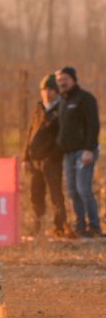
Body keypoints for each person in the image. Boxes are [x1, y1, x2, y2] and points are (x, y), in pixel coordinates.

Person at [55, 66, 102, 237]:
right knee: (72, 190)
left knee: (83, 189)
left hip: (83, 151)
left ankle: (95, 226)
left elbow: (93, 125)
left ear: (73, 79)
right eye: (59, 80)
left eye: (65, 79)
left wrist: (89, 149)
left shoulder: (85, 98)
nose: (62, 83)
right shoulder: (62, 100)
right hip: (68, 153)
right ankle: (81, 227)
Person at [21, 74, 68, 239]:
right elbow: (30, 133)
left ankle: (60, 227)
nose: (47, 93)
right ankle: (37, 227)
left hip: (52, 161)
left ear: (56, 91)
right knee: (36, 194)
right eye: (44, 90)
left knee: (56, 194)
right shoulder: (39, 108)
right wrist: (25, 157)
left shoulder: (62, 109)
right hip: (34, 160)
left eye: (50, 90)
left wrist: (53, 155)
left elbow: (63, 136)